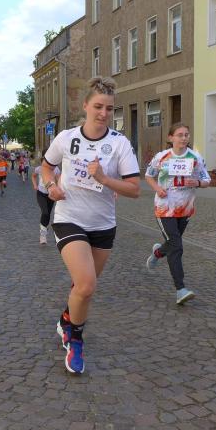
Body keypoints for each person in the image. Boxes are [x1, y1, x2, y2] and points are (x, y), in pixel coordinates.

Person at [42, 76, 140, 375]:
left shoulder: (119, 143)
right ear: (85, 105)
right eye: (98, 106)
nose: (103, 113)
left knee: (82, 288)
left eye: (109, 108)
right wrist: (51, 186)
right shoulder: (66, 138)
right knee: (86, 285)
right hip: (69, 218)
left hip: (103, 224)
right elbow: (47, 166)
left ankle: (66, 319)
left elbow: (134, 189)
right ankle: (75, 339)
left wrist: (105, 179)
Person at [144, 124, 211, 305]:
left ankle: (158, 252)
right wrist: (157, 188)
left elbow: (207, 179)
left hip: (185, 208)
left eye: (186, 135)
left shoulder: (195, 158)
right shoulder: (162, 156)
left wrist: (197, 182)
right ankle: (180, 289)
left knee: (173, 243)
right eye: (179, 135)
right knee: (176, 246)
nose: (183, 138)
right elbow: (149, 175)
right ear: (170, 138)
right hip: (164, 207)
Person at [31, 153, 60, 244]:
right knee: (45, 212)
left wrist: (58, 189)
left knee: (48, 214)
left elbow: (59, 181)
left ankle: (44, 230)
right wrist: (35, 185)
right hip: (41, 193)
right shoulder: (39, 169)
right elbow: (33, 176)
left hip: (51, 194)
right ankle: (43, 234)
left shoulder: (56, 169)